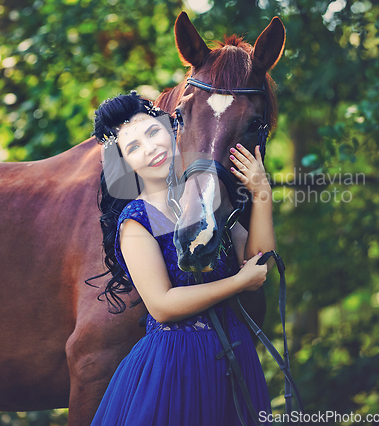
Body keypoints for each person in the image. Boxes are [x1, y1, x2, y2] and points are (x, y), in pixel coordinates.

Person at [90, 90, 276, 426]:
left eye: (152, 132)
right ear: (125, 163)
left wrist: (262, 194)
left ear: (171, 129)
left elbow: (259, 263)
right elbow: (162, 304)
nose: (149, 149)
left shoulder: (207, 200)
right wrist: (236, 283)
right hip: (177, 367)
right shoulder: (136, 220)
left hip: (236, 357)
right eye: (133, 148)